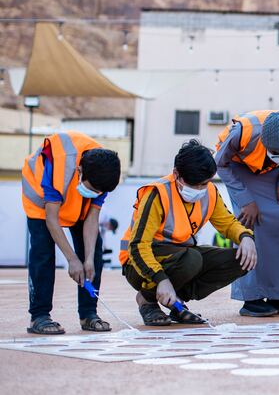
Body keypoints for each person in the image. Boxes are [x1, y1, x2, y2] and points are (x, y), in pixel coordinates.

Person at [119, 140, 257, 325]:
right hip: (139, 264)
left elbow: (227, 223)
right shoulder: (157, 194)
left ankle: (176, 302)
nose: (199, 190)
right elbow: (137, 246)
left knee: (242, 259)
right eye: (193, 184)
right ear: (176, 174)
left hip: (181, 256)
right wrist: (160, 279)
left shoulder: (210, 192)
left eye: (204, 183)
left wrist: (245, 237)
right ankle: (147, 299)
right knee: (192, 259)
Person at [21, 131, 121, 334]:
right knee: (43, 252)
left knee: (93, 254)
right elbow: (51, 219)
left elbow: (92, 218)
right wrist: (72, 259)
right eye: (92, 188)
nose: (95, 194)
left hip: (76, 203)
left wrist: (89, 259)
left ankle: (88, 314)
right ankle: (39, 316)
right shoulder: (58, 164)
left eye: (99, 192)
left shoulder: (104, 173)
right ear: (80, 170)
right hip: (41, 201)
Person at [216, 110, 279, 317]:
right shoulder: (241, 133)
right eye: (277, 153)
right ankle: (251, 298)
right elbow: (220, 163)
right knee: (252, 220)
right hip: (238, 167)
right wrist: (245, 200)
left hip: (274, 171)